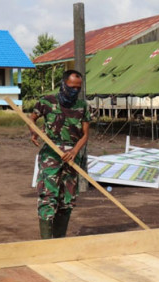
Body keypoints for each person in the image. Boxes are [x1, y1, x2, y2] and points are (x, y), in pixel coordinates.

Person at [29, 70, 90, 239]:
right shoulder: (47, 101)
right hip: (51, 154)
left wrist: (74, 151)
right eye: (71, 87)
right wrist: (33, 132)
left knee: (67, 200)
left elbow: (85, 134)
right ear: (63, 84)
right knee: (48, 197)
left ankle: (60, 240)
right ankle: (47, 243)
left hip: (72, 155)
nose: (75, 91)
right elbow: (31, 118)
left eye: (78, 88)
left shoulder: (82, 106)